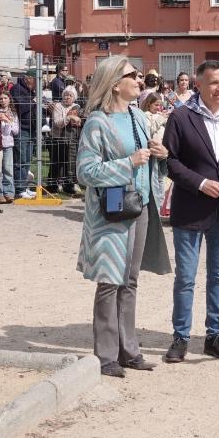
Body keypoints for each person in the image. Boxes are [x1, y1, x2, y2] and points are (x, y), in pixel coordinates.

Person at [76, 55, 172, 378]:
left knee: (130, 280)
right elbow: (85, 171)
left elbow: (149, 162)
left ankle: (128, 350)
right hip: (112, 211)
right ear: (115, 83)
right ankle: (105, 356)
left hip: (141, 206)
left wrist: (161, 156)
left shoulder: (138, 117)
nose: (140, 80)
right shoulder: (97, 123)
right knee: (109, 281)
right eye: (134, 75)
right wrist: (127, 163)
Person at [162, 60, 219, 364]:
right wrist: (200, 183)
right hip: (190, 208)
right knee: (186, 278)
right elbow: (170, 162)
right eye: (214, 82)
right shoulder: (181, 117)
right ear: (198, 85)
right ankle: (181, 337)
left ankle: (215, 336)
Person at [49, 87, 84, 196]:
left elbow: (79, 122)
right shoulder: (58, 106)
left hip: (71, 139)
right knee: (56, 163)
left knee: (69, 163)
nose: (67, 97)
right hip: (57, 138)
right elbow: (58, 123)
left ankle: (68, 186)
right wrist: (70, 117)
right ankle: (52, 186)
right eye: (65, 95)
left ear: (74, 97)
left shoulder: (77, 107)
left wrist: (74, 118)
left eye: (70, 95)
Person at [10, 71, 39, 199]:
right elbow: (20, 108)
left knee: (27, 160)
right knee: (20, 160)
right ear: (29, 79)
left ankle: (24, 187)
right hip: (22, 129)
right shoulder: (17, 89)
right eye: (37, 80)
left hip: (32, 129)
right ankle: (19, 189)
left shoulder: (31, 91)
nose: (39, 83)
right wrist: (33, 101)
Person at [0, 91, 18, 204]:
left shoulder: (13, 113)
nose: (3, 100)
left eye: (5, 98)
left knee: (8, 169)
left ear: (9, 99)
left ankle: (9, 193)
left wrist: (8, 121)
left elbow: (16, 130)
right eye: (1, 98)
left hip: (8, 144)